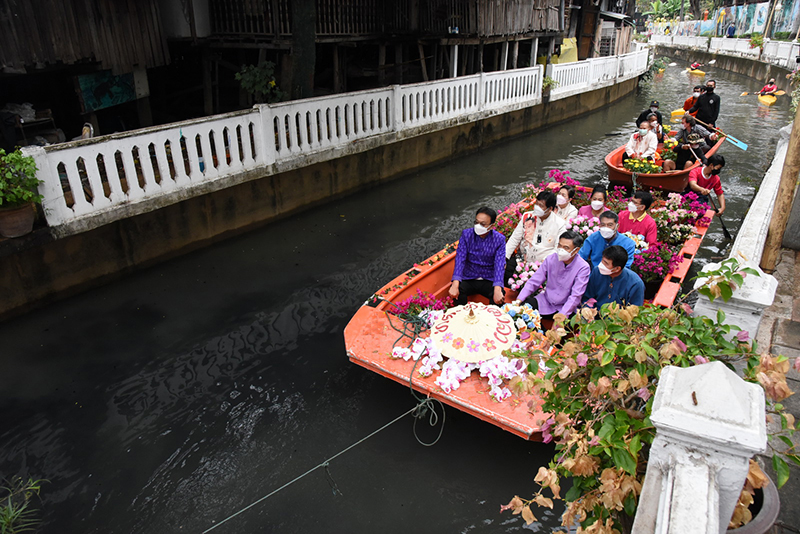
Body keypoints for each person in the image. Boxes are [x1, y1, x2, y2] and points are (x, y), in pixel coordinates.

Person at [515, 231, 591, 319]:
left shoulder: (583, 267)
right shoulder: (551, 259)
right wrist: (518, 300)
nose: (561, 250)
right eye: (560, 246)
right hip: (545, 302)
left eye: (566, 248)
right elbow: (534, 281)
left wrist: (561, 316)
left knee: (564, 325)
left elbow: (575, 296)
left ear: (576, 250)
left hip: (566, 307)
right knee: (522, 311)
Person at [450, 207, 507, 306]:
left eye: (483, 224)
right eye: (476, 222)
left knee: (498, 296)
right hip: (469, 277)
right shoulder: (466, 235)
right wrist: (455, 283)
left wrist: (497, 288)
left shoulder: (499, 240)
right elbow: (460, 259)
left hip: (488, 278)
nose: (478, 226)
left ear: (491, 226)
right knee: (458, 290)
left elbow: (499, 264)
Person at [506, 190, 566, 265]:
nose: (537, 207)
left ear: (550, 209)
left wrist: (543, 263)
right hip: (522, 259)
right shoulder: (527, 216)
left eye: (541, 206)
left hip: (544, 264)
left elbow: (558, 248)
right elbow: (515, 238)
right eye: (536, 204)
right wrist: (505, 257)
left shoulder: (560, 224)